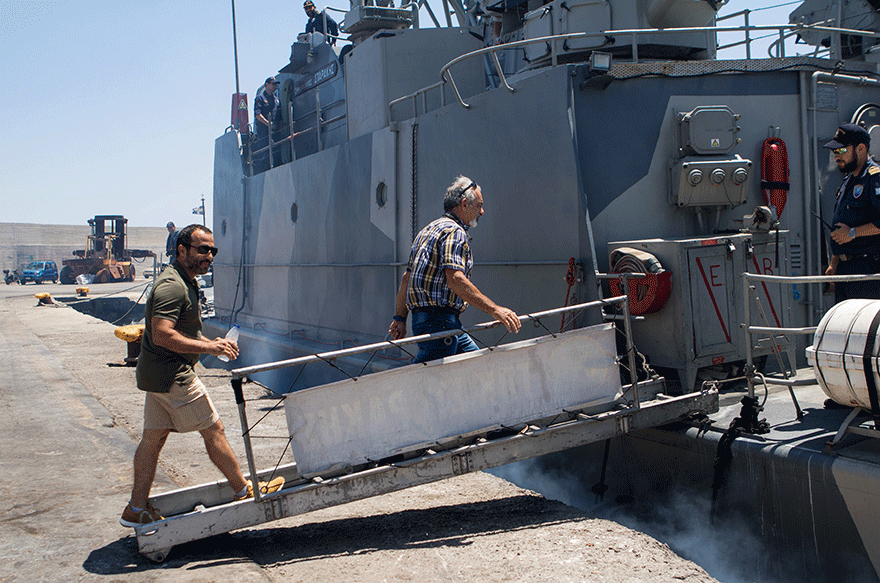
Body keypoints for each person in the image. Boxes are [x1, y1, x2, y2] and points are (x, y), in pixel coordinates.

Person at [120, 224, 283, 527]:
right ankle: (243, 491)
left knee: (152, 440)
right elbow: (161, 334)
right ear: (181, 250)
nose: (209, 255)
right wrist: (209, 345)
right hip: (174, 376)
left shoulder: (185, 280)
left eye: (212, 250)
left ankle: (136, 507)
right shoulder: (172, 286)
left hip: (157, 376)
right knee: (214, 430)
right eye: (202, 249)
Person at [388, 176, 521, 363]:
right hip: (440, 323)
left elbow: (406, 279)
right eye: (479, 206)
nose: (482, 212)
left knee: (475, 366)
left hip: (431, 322)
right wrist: (495, 310)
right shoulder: (455, 232)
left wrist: (399, 318)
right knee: (427, 381)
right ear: (464, 204)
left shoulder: (426, 231)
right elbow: (455, 279)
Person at [823, 123, 880, 303]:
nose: (836, 156)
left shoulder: (874, 178)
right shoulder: (849, 180)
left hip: (867, 270)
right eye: (834, 152)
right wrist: (834, 263)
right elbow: (841, 222)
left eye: (841, 151)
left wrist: (852, 233)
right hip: (845, 270)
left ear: (861, 148)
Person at [253, 77, 282, 172]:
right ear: (266, 85)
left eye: (276, 84)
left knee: (276, 153)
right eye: (273, 84)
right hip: (264, 133)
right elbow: (258, 115)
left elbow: (279, 115)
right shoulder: (260, 98)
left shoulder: (276, 100)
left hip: (275, 132)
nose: (275, 86)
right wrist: (268, 124)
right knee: (264, 155)